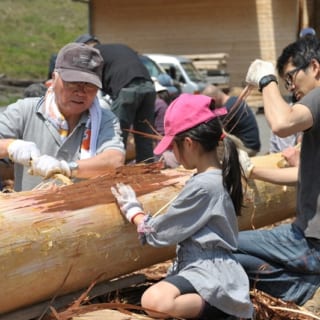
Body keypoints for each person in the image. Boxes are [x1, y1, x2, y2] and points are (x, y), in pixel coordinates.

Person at [111, 93, 253, 320]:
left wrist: (134, 212)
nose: (173, 154)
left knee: (154, 301)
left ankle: (221, 310)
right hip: (203, 265)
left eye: (173, 147)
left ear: (189, 144)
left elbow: (161, 232)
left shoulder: (205, 186)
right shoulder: (214, 176)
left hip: (209, 270)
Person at [235, 35, 320, 314]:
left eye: (291, 77)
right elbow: (302, 175)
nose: (291, 87)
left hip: (309, 243)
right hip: (309, 243)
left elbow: (282, 124)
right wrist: (254, 169)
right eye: (284, 80)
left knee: (222, 243)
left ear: (315, 68)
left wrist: (266, 80)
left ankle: (302, 289)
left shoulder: (319, 96)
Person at [0, 42, 125, 191]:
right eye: (73, 83)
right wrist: (11, 146)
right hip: (29, 210)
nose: (80, 92)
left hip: (82, 211)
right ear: (54, 78)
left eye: (89, 85)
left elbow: (114, 160)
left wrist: (65, 168)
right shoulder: (25, 111)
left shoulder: (105, 119)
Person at [75, 34, 157, 163]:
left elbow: (92, 83)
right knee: (144, 134)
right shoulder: (119, 47)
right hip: (149, 88)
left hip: (127, 89)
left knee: (116, 135)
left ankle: (116, 172)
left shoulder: (94, 54)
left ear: (84, 46)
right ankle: (148, 170)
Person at [202, 84, 261, 156]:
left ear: (214, 99)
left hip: (247, 148)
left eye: (209, 104)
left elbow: (209, 123)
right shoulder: (234, 100)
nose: (210, 107)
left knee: (216, 135)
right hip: (251, 144)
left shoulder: (227, 109)